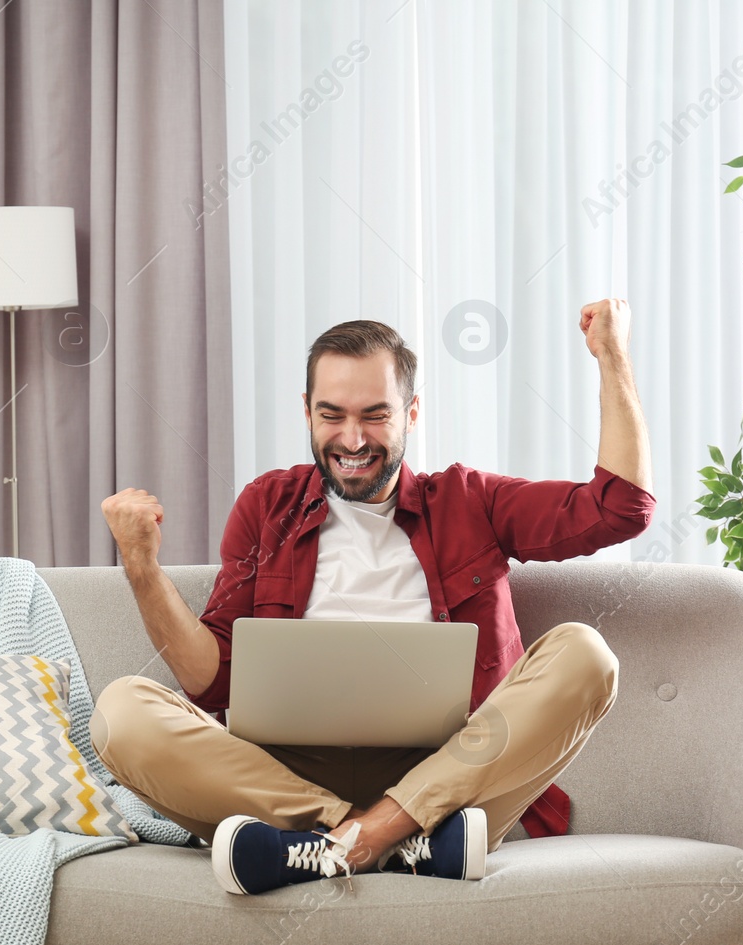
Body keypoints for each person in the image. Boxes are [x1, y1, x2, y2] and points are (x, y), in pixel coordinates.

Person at [92, 299, 655, 895]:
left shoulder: (469, 501)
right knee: (121, 711)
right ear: (306, 412)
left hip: (449, 777)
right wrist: (141, 566)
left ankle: (346, 841)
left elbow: (621, 509)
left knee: (587, 654)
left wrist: (612, 356)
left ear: (412, 413)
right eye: (331, 415)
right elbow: (211, 683)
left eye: (375, 415)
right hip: (288, 778)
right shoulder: (267, 506)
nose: (352, 438)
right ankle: (386, 844)